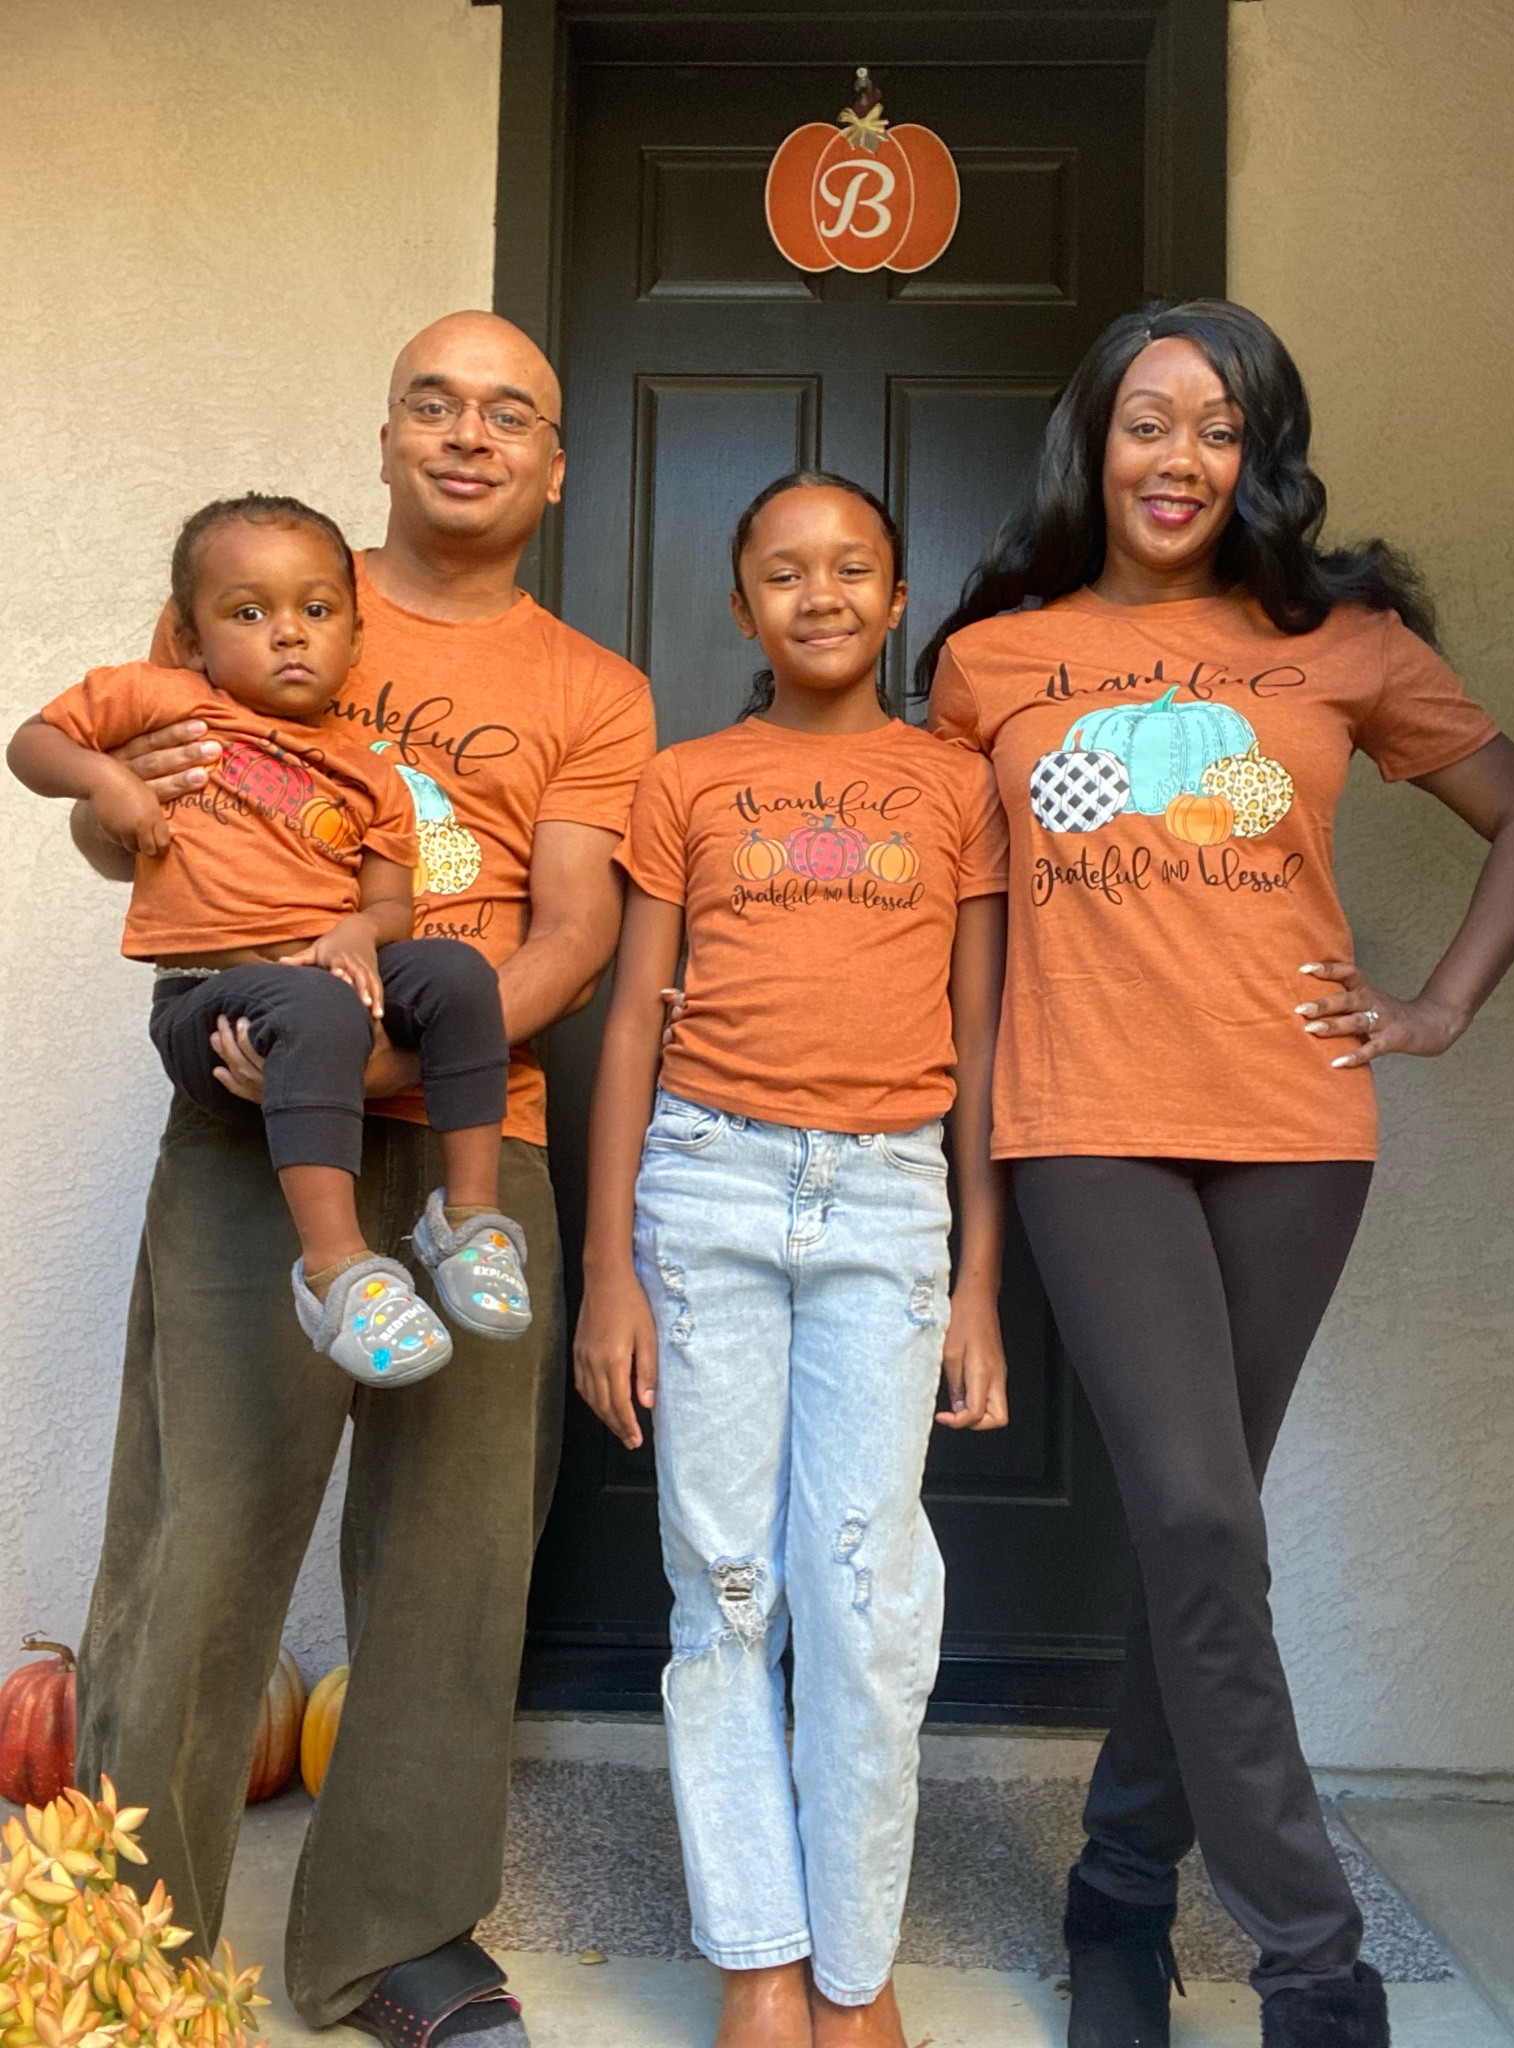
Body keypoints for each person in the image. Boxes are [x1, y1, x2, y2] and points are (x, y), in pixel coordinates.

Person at [918, 299, 1514, 2048]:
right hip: (1082, 1117)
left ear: (1260, 456)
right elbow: (933, 901)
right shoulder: (994, 658)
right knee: (1195, 1513)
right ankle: (1312, 1966)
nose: (1180, 458)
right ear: (1091, 445)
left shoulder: (1341, 641)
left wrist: (1437, 1006)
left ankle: (1117, 1882)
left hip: (1296, 1133)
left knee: (1213, 1539)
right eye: (1147, 421)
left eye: (1221, 428)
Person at [64, 313, 655, 2048]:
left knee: (458, 1554)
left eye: (511, 415)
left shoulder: (590, 687)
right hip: (256, 1119)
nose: (469, 436)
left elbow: (573, 932)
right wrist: (124, 809)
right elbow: (122, 813)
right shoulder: (276, 588)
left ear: (555, 464)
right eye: (434, 403)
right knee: (202, 1530)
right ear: (388, 435)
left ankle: (394, 1937)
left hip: (480, 1136)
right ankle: (118, 1945)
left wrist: (392, 1052)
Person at [575, 473, 1011, 2048]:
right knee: (727, 1583)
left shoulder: (956, 787)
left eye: (853, 569)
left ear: (899, 601)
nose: (819, 594)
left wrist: (975, 1278)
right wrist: (609, 1270)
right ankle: (758, 1953)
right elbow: (632, 1019)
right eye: (782, 570)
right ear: (743, 605)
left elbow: (981, 1032)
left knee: (866, 1590)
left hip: (892, 1204)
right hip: (704, 1191)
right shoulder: (689, 779)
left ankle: (856, 1965)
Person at [11, 493, 531, 1382]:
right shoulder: (160, 700)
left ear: (355, 640)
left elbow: (391, 907)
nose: (288, 633)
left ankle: (470, 1221)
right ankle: (337, 1275)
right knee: (317, 1009)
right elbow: (30, 745)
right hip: (207, 997)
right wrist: (104, 780)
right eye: (249, 613)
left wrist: (359, 933)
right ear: (188, 636)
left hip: (323, 980)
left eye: (316, 611)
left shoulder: (371, 779)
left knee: (454, 970)